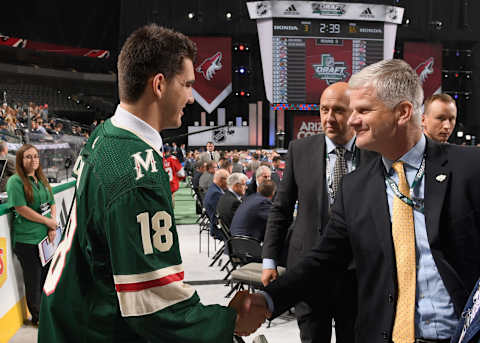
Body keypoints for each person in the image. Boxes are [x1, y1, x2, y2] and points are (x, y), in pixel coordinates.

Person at [38, 24, 266, 343]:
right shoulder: (137, 170)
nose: (190, 96)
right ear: (159, 85)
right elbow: (155, 308)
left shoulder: (105, 136)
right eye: (187, 85)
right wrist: (227, 322)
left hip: (73, 315)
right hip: (93, 329)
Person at [250, 59, 480, 343]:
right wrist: (268, 300)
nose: (352, 120)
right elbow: (325, 260)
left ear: (403, 113)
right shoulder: (356, 187)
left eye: (363, 110)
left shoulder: (469, 168)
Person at [261, 81, 375, 343]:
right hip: (308, 269)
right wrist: (269, 260)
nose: (329, 118)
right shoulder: (300, 149)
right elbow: (281, 209)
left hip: (358, 273)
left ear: (354, 113)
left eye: (338, 110)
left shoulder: (373, 153)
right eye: (324, 110)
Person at [6, 144, 57, 326]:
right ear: (20, 159)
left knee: (45, 277)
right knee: (33, 281)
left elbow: (51, 202)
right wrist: (47, 222)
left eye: (35, 156)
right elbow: (21, 208)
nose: (33, 159)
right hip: (27, 241)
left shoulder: (40, 178)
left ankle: (46, 311)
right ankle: (38, 317)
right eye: (28, 156)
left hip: (45, 239)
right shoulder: (15, 182)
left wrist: (52, 225)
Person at [204, 168, 229, 239]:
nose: (228, 182)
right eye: (227, 179)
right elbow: (223, 213)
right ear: (221, 180)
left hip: (219, 226)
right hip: (219, 228)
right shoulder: (216, 193)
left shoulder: (214, 189)